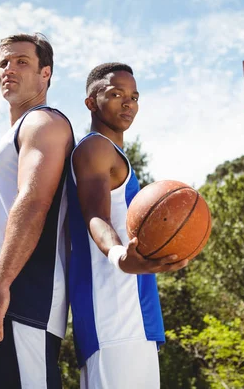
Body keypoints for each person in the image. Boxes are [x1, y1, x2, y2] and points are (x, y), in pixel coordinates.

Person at [0, 33, 75, 388]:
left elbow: (35, 201)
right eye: (4, 63)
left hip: (23, 304)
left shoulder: (44, 122)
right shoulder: (11, 137)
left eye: (22, 61)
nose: (9, 69)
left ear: (46, 74)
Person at [67, 62, 188, 389]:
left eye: (134, 97)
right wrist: (120, 255)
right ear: (91, 102)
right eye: (116, 94)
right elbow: (96, 216)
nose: (128, 103)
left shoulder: (114, 155)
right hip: (114, 320)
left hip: (134, 319)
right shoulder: (94, 148)